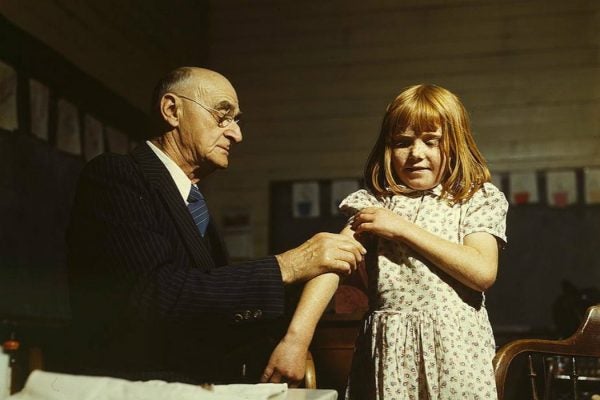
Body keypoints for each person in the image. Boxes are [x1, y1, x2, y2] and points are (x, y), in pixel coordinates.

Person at [65, 66, 366, 384]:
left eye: (237, 121)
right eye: (223, 117)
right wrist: (287, 266)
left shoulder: (192, 201)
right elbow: (150, 295)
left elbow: (210, 303)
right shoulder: (117, 176)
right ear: (172, 110)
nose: (237, 134)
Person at [261, 84, 508, 399]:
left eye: (431, 141)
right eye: (402, 143)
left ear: (455, 145)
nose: (416, 153)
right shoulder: (374, 204)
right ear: (388, 148)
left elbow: (482, 271)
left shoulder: (474, 198)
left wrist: (403, 229)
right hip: (388, 352)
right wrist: (296, 340)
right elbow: (329, 266)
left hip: (455, 351)